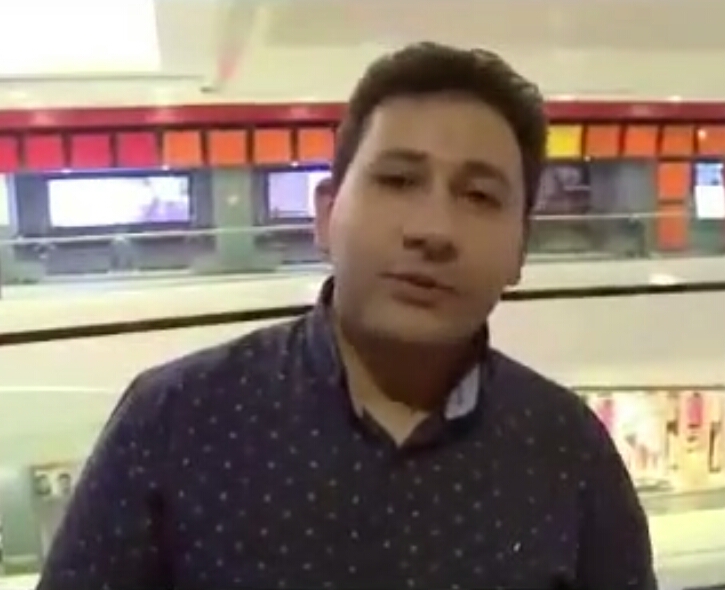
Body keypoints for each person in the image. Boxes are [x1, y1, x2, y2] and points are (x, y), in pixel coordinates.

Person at [37, 42, 656, 590]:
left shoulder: (569, 451)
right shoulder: (173, 419)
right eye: (399, 180)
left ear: (521, 249)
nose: (433, 229)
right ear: (326, 214)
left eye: (478, 195)